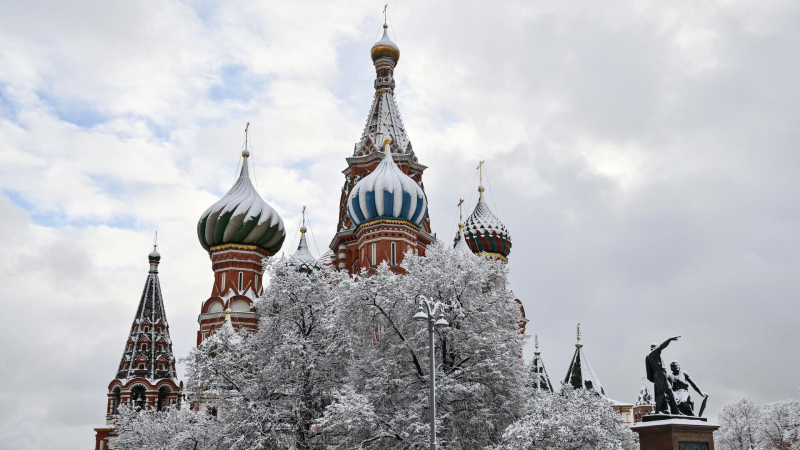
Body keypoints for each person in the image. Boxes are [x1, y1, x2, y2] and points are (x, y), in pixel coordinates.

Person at [646, 336, 681, 414]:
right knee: (661, 393)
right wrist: (669, 340)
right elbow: (662, 346)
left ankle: (677, 411)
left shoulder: (653, 355)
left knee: (670, 393)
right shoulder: (653, 354)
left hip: (662, 374)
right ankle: (657, 411)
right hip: (659, 375)